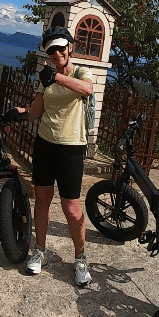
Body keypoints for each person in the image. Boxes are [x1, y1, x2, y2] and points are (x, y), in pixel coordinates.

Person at [18, 25, 94, 286]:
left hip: (72, 148)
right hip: (45, 145)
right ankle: (40, 250)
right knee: (42, 200)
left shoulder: (81, 71)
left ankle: (81, 257)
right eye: (51, 50)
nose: (56, 52)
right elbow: (36, 112)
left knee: (71, 208)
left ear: (70, 48)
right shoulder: (45, 77)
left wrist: (57, 78)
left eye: (61, 47)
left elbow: (87, 90)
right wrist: (20, 113)